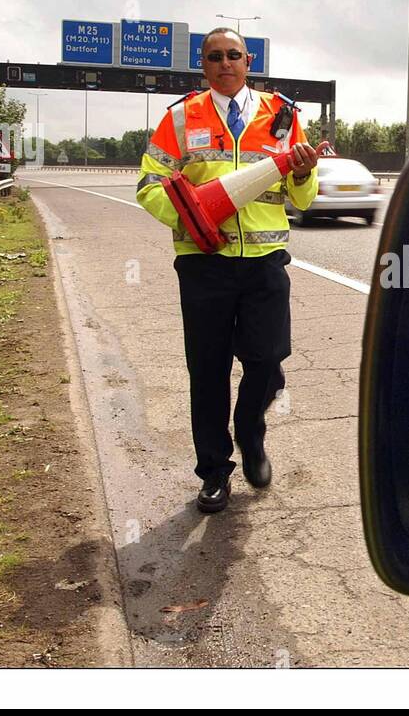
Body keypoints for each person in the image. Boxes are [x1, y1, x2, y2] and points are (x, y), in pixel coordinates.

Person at [136, 27, 327, 512]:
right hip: (204, 265)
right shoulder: (180, 119)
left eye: (234, 55)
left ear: (249, 62)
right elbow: (149, 185)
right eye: (215, 56)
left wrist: (302, 172)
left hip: (265, 262)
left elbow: (302, 197)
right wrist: (192, 217)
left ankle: (251, 433)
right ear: (203, 65)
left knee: (267, 359)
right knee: (208, 371)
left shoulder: (282, 117)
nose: (225, 63)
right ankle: (215, 472)